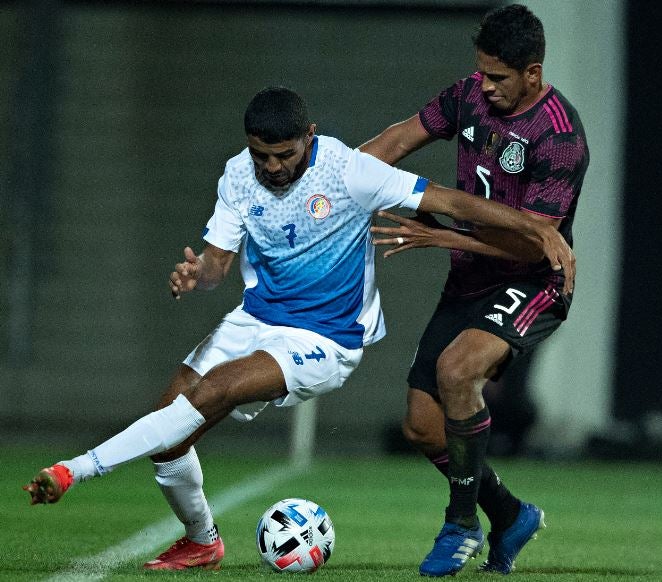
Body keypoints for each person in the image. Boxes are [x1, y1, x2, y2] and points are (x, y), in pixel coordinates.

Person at [24, 85, 574, 571]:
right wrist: (200, 274)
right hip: (255, 318)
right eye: (262, 155)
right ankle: (200, 542)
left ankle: (74, 470)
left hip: (325, 340)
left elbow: (451, 200)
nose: (273, 167)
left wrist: (539, 231)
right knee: (171, 432)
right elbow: (219, 261)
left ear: (309, 137)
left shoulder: (350, 172)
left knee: (212, 394)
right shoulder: (239, 175)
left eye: (284, 155)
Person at [360, 4, 589, 577]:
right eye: (481, 72)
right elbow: (398, 139)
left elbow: (534, 245)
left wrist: (442, 238)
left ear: (533, 73)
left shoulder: (560, 138)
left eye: (499, 77)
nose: (485, 86)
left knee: (459, 371)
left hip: (533, 281)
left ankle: (461, 523)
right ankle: (510, 516)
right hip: (469, 278)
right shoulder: (468, 96)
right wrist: (333, 175)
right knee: (421, 424)